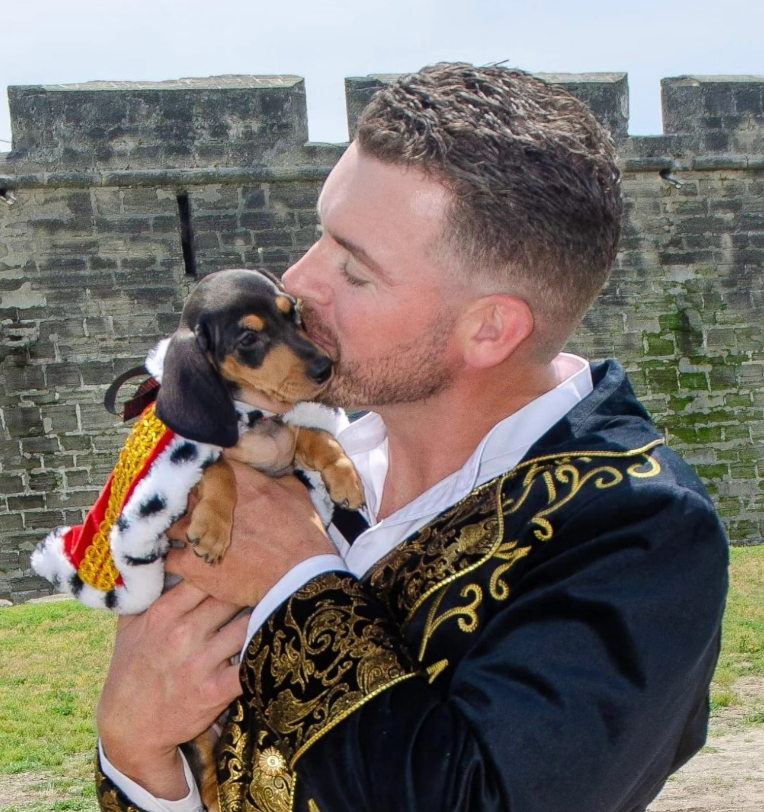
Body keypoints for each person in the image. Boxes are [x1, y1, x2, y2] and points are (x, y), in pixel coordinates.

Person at [94, 62, 729, 812]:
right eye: (318, 236)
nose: (298, 280)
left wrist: (295, 583)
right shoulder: (301, 458)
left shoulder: (640, 534)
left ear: (490, 328)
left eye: (354, 270)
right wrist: (135, 755)